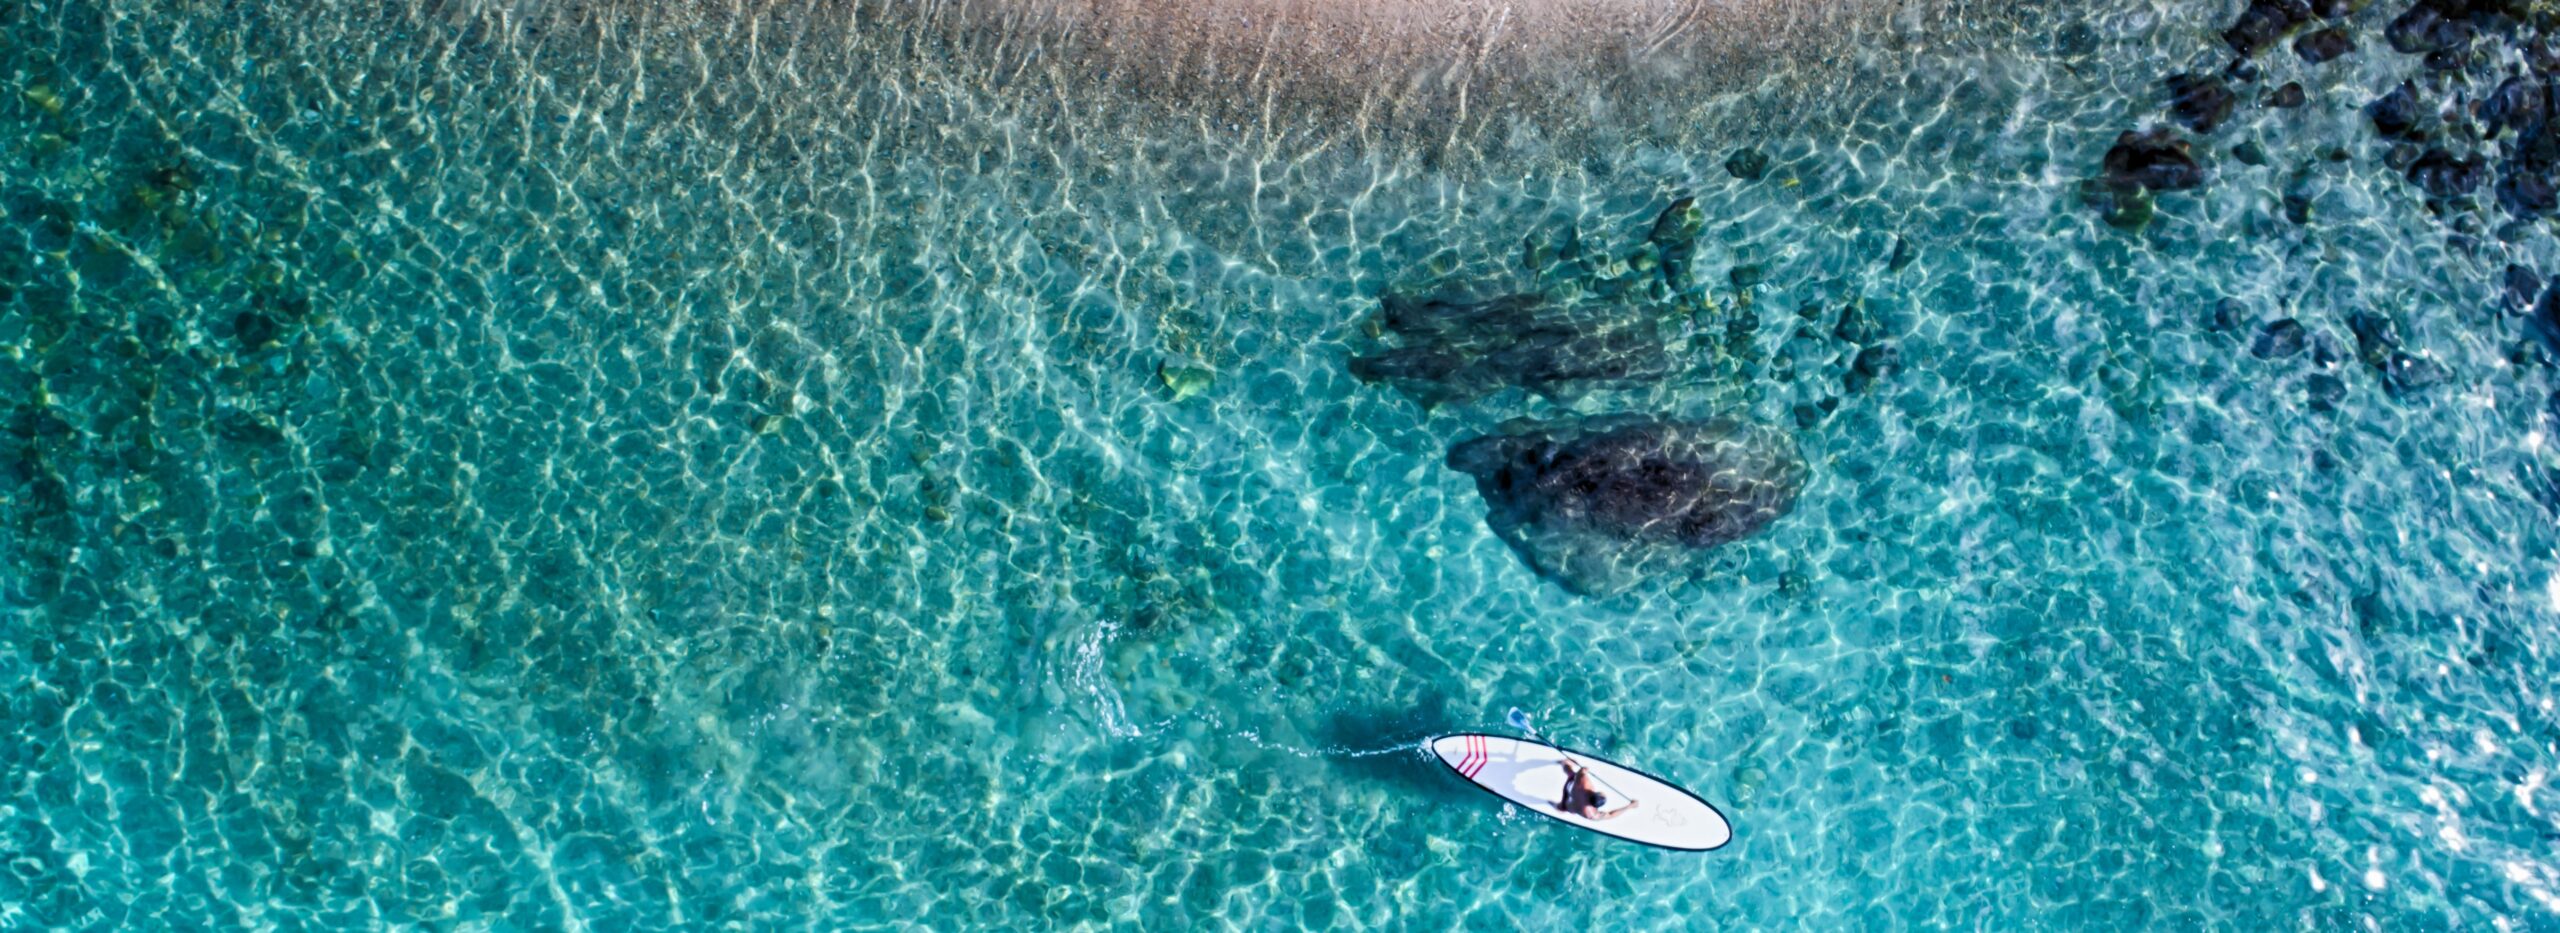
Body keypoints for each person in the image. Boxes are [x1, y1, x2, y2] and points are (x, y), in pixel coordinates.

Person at [1554, 758, 1639, 820]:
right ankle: (1556, 806)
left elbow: (1582, 771)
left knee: (1571, 773)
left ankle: (1563, 763)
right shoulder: (1591, 814)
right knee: (1561, 808)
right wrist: (1629, 806)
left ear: (1593, 793)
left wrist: (1585, 769)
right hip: (1566, 805)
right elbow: (1611, 815)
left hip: (1570, 787)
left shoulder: (1584, 785)